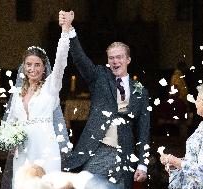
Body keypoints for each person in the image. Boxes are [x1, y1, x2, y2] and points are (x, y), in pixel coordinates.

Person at [59, 11, 150, 189]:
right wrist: (69, 29)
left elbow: (143, 130)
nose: (115, 61)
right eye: (111, 58)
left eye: (119, 57)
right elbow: (80, 59)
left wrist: (143, 163)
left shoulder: (141, 91)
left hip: (124, 156)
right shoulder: (99, 77)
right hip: (97, 152)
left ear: (128, 60)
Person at [0, 20, 72, 189]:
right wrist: (9, 140)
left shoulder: (51, 87)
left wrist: (65, 31)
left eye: (37, 64)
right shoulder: (17, 94)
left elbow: (61, 60)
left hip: (45, 146)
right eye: (29, 64)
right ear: (23, 67)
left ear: (44, 68)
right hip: (22, 150)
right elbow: (10, 122)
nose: (33, 69)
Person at [160, 84, 203, 188]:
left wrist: (173, 160)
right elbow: (195, 160)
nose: (195, 103)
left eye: (198, 100)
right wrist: (176, 165)